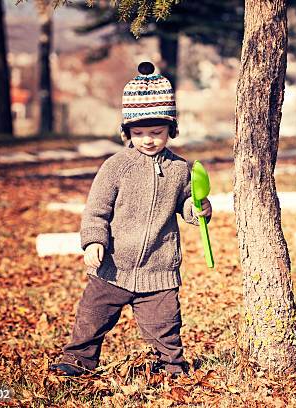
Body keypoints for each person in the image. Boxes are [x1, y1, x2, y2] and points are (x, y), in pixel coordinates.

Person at [49, 62, 212, 378]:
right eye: (138, 133)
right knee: (92, 316)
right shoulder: (116, 166)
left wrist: (199, 209)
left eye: (156, 132)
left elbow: (188, 205)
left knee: (165, 324)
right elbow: (96, 210)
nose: (148, 140)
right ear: (127, 133)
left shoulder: (180, 169)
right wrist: (94, 241)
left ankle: (172, 367)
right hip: (113, 265)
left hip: (158, 269)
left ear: (171, 130)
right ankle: (77, 359)